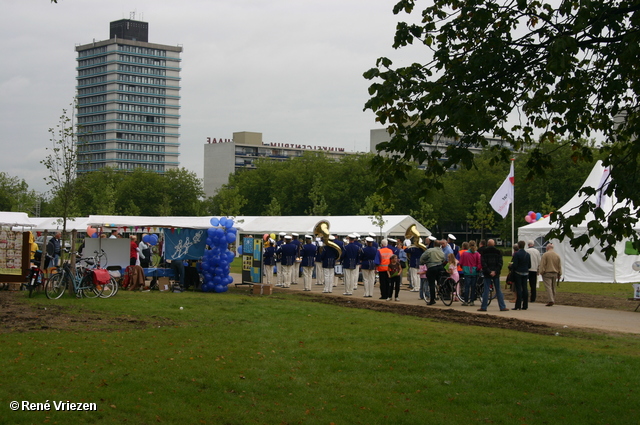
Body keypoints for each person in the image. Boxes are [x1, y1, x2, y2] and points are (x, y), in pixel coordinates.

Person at [478, 239, 509, 311]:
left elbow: (483, 263)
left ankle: (484, 307)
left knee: (486, 290)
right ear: (494, 244)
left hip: (487, 273)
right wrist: (495, 271)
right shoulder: (498, 252)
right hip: (496, 273)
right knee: (498, 289)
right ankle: (502, 306)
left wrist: (489, 271)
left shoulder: (484, 252)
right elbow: (500, 263)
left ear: (487, 244)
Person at [420, 240, 445, 305]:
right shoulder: (441, 251)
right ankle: (441, 290)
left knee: (431, 283)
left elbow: (422, 258)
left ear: (434, 245)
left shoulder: (430, 250)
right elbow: (444, 259)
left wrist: (423, 262)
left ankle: (432, 299)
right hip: (440, 267)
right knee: (440, 280)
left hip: (432, 267)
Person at [459, 240, 481, 306]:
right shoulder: (477, 254)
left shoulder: (465, 253)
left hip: (467, 271)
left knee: (467, 287)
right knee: (473, 287)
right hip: (474, 272)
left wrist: (463, 268)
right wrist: (477, 269)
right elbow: (479, 263)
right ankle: (472, 301)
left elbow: (461, 263)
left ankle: (466, 300)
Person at [510, 240, 531, 310]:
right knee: (525, 288)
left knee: (518, 288)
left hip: (518, 272)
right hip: (525, 272)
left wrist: (511, 266)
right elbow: (529, 265)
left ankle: (518, 305)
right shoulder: (527, 254)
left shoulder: (517, 254)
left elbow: (515, 265)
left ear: (518, 246)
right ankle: (525, 305)